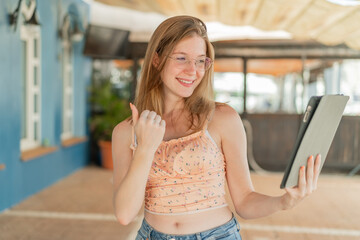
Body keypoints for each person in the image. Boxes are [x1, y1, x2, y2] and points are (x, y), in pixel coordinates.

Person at [112, 15, 321, 240]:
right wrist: (145, 148)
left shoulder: (222, 118)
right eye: (182, 58)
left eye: (201, 60)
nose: (193, 71)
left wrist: (283, 202)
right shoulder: (127, 131)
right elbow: (125, 214)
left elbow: (244, 201)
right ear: (156, 59)